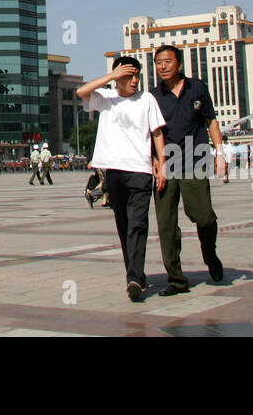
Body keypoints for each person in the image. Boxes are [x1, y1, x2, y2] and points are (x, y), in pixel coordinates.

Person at [76, 57, 168, 303]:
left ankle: (134, 278)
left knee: (138, 224)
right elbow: (80, 91)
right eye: (129, 76)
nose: (135, 80)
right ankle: (134, 272)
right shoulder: (106, 97)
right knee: (124, 225)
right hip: (113, 172)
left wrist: (163, 164)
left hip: (140, 170)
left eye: (137, 75)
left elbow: (157, 132)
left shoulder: (147, 99)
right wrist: (112, 76)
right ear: (118, 77)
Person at [149, 45, 227, 296]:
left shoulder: (197, 88)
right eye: (158, 62)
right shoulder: (152, 97)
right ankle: (176, 279)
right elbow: (151, 133)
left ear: (179, 64)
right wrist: (154, 160)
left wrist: (220, 153)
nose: (163, 66)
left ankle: (210, 253)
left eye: (168, 61)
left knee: (203, 216)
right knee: (166, 225)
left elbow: (210, 120)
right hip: (166, 165)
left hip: (195, 160)